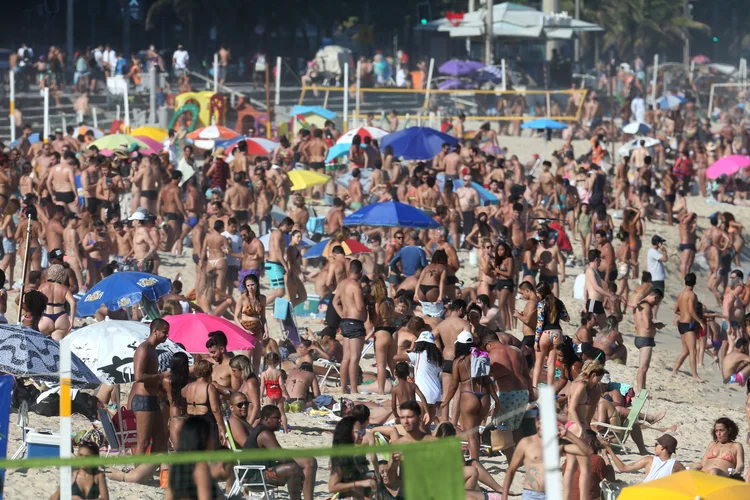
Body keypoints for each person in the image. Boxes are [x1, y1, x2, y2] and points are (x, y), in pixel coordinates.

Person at [442, 331, 501, 462]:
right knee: (473, 432)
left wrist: (445, 401)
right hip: (484, 396)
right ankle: (470, 458)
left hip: (469, 396)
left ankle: (475, 464)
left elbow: (453, 386)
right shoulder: (482, 357)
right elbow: (488, 382)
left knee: (471, 434)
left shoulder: (458, 362)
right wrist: (496, 400)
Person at [503, 417, 593, 500]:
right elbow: (511, 470)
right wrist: (504, 496)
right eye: (540, 423)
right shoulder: (526, 443)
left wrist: (568, 434)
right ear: (536, 423)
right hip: (531, 494)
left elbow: (588, 452)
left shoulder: (559, 444)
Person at [242, 405, 311, 500]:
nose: (280, 420)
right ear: (266, 419)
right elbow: (282, 457)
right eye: (276, 418)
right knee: (293, 469)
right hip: (253, 479)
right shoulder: (264, 434)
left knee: (309, 461)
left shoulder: (264, 430)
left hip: (261, 472)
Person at [132, 318, 170, 456]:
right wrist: (161, 376)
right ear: (155, 331)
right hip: (143, 399)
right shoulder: (144, 349)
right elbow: (139, 377)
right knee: (143, 441)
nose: (167, 336)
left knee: (161, 437)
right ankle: (139, 476)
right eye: (164, 332)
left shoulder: (152, 349)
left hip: (152, 398)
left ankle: (149, 469)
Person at [166, 416, 225, 500]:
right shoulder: (200, 467)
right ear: (203, 438)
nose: (213, 440)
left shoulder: (177, 466)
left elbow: (168, 497)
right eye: (211, 435)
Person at [332, 259, 368, 394]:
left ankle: (342, 388)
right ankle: (353, 389)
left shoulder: (342, 284)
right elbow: (359, 306)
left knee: (346, 357)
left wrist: (343, 315)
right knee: (354, 358)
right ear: (360, 272)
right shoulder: (355, 286)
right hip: (355, 322)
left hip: (345, 321)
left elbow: (335, 302)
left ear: (349, 271)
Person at [394, 331, 443, 425]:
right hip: (436, 393)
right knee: (427, 426)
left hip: (423, 392)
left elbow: (396, 357)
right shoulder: (437, 357)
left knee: (419, 425)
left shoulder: (417, 355)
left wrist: (411, 350)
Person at [328, 416, 377, 498]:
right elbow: (332, 487)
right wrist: (359, 483)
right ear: (348, 433)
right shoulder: (342, 457)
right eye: (360, 431)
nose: (363, 434)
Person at [533, 281, 570, 388]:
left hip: (545, 333)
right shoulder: (559, 302)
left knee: (539, 363)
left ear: (542, 292)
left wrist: (536, 341)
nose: (537, 295)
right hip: (557, 333)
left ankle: (534, 386)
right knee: (551, 364)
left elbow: (539, 324)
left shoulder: (542, 304)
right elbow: (566, 318)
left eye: (537, 292)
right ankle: (549, 388)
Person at [603, 434, 685, 482]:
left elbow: (623, 468)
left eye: (656, 444)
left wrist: (609, 449)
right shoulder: (677, 466)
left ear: (662, 447)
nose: (655, 447)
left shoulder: (649, 460)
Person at [671, 272, 706, 383]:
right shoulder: (692, 295)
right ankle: (695, 375)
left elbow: (676, 309)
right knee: (693, 350)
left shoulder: (681, 294)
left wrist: (683, 313)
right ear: (694, 282)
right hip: (688, 325)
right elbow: (691, 310)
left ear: (685, 281)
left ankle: (674, 370)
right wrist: (700, 321)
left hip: (681, 324)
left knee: (685, 350)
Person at [182, 359, 227, 448]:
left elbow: (182, 396)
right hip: (206, 421)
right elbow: (215, 409)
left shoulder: (188, 387)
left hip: (191, 421)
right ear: (209, 371)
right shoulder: (209, 387)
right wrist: (222, 427)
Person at [234, 273, 268, 374]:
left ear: (257, 284)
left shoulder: (262, 298)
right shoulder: (242, 298)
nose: (250, 288)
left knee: (257, 359)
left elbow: (263, 317)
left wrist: (266, 330)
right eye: (248, 285)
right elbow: (236, 317)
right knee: (246, 360)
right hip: (246, 330)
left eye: (252, 285)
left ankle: (256, 379)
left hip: (258, 330)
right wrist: (243, 330)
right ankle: (247, 381)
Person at [260, 352, 289, 433]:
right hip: (278, 394)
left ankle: (270, 428)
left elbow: (262, 386)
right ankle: (286, 430)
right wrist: (286, 394)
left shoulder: (264, 374)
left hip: (270, 394)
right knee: (282, 413)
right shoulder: (278, 372)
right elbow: (282, 385)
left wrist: (261, 396)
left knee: (270, 413)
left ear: (266, 362)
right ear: (277, 362)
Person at [229, 354, 261, 425]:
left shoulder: (251, 382)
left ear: (242, 369)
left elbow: (256, 406)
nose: (233, 373)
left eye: (234, 370)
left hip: (253, 421)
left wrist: (249, 425)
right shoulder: (246, 380)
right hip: (247, 420)